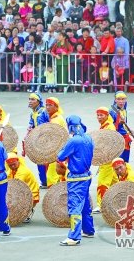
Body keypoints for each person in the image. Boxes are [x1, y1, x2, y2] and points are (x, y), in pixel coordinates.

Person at [57, 115, 95, 246]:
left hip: (76, 178)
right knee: (85, 205)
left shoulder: (74, 140)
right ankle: (88, 230)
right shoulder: (88, 138)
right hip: (86, 175)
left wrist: (65, 145)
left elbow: (60, 157)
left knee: (74, 206)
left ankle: (74, 236)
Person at [92, 107, 118, 214]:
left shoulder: (109, 127)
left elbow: (109, 144)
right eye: (98, 115)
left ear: (107, 115)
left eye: (101, 115)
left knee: (102, 183)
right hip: (107, 159)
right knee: (114, 182)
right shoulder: (105, 125)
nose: (99, 117)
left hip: (108, 160)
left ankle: (101, 204)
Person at [5, 152, 40, 223]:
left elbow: (17, 186)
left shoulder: (23, 171)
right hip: (22, 192)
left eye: (14, 164)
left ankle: (28, 210)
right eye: (10, 165)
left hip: (31, 193)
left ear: (18, 161)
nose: (12, 166)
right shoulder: (12, 170)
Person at [26, 93, 49, 188]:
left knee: (47, 162)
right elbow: (31, 125)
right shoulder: (33, 113)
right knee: (39, 162)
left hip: (46, 141)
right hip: (37, 141)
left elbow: (51, 125)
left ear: (38, 101)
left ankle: (50, 181)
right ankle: (44, 182)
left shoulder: (44, 111)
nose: (30, 101)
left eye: (33, 99)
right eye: (29, 99)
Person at [45, 97, 67, 187]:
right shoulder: (56, 117)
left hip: (56, 152)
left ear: (56, 107)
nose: (47, 107)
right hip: (58, 151)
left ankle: (53, 197)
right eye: (46, 105)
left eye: (50, 105)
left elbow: (55, 138)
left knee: (51, 177)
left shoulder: (56, 120)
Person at [109, 91, 132, 162]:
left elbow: (124, 124)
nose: (121, 101)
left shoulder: (124, 110)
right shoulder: (112, 112)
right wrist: (118, 123)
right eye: (119, 99)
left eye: (123, 99)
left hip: (125, 138)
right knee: (118, 161)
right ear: (115, 100)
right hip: (117, 139)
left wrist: (128, 130)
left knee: (125, 160)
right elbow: (109, 126)